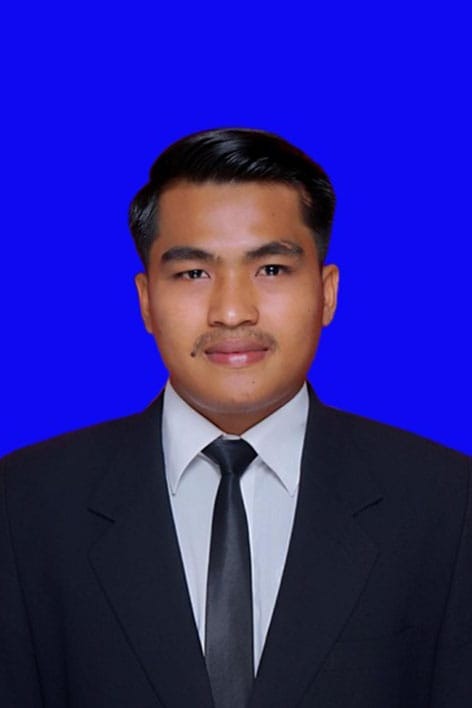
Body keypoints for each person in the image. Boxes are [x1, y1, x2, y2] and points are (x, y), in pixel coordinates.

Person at [1, 128, 471, 708]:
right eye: (193, 273)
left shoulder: (447, 503)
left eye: (270, 269)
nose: (230, 312)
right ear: (146, 300)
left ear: (327, 293)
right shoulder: (25, 504)